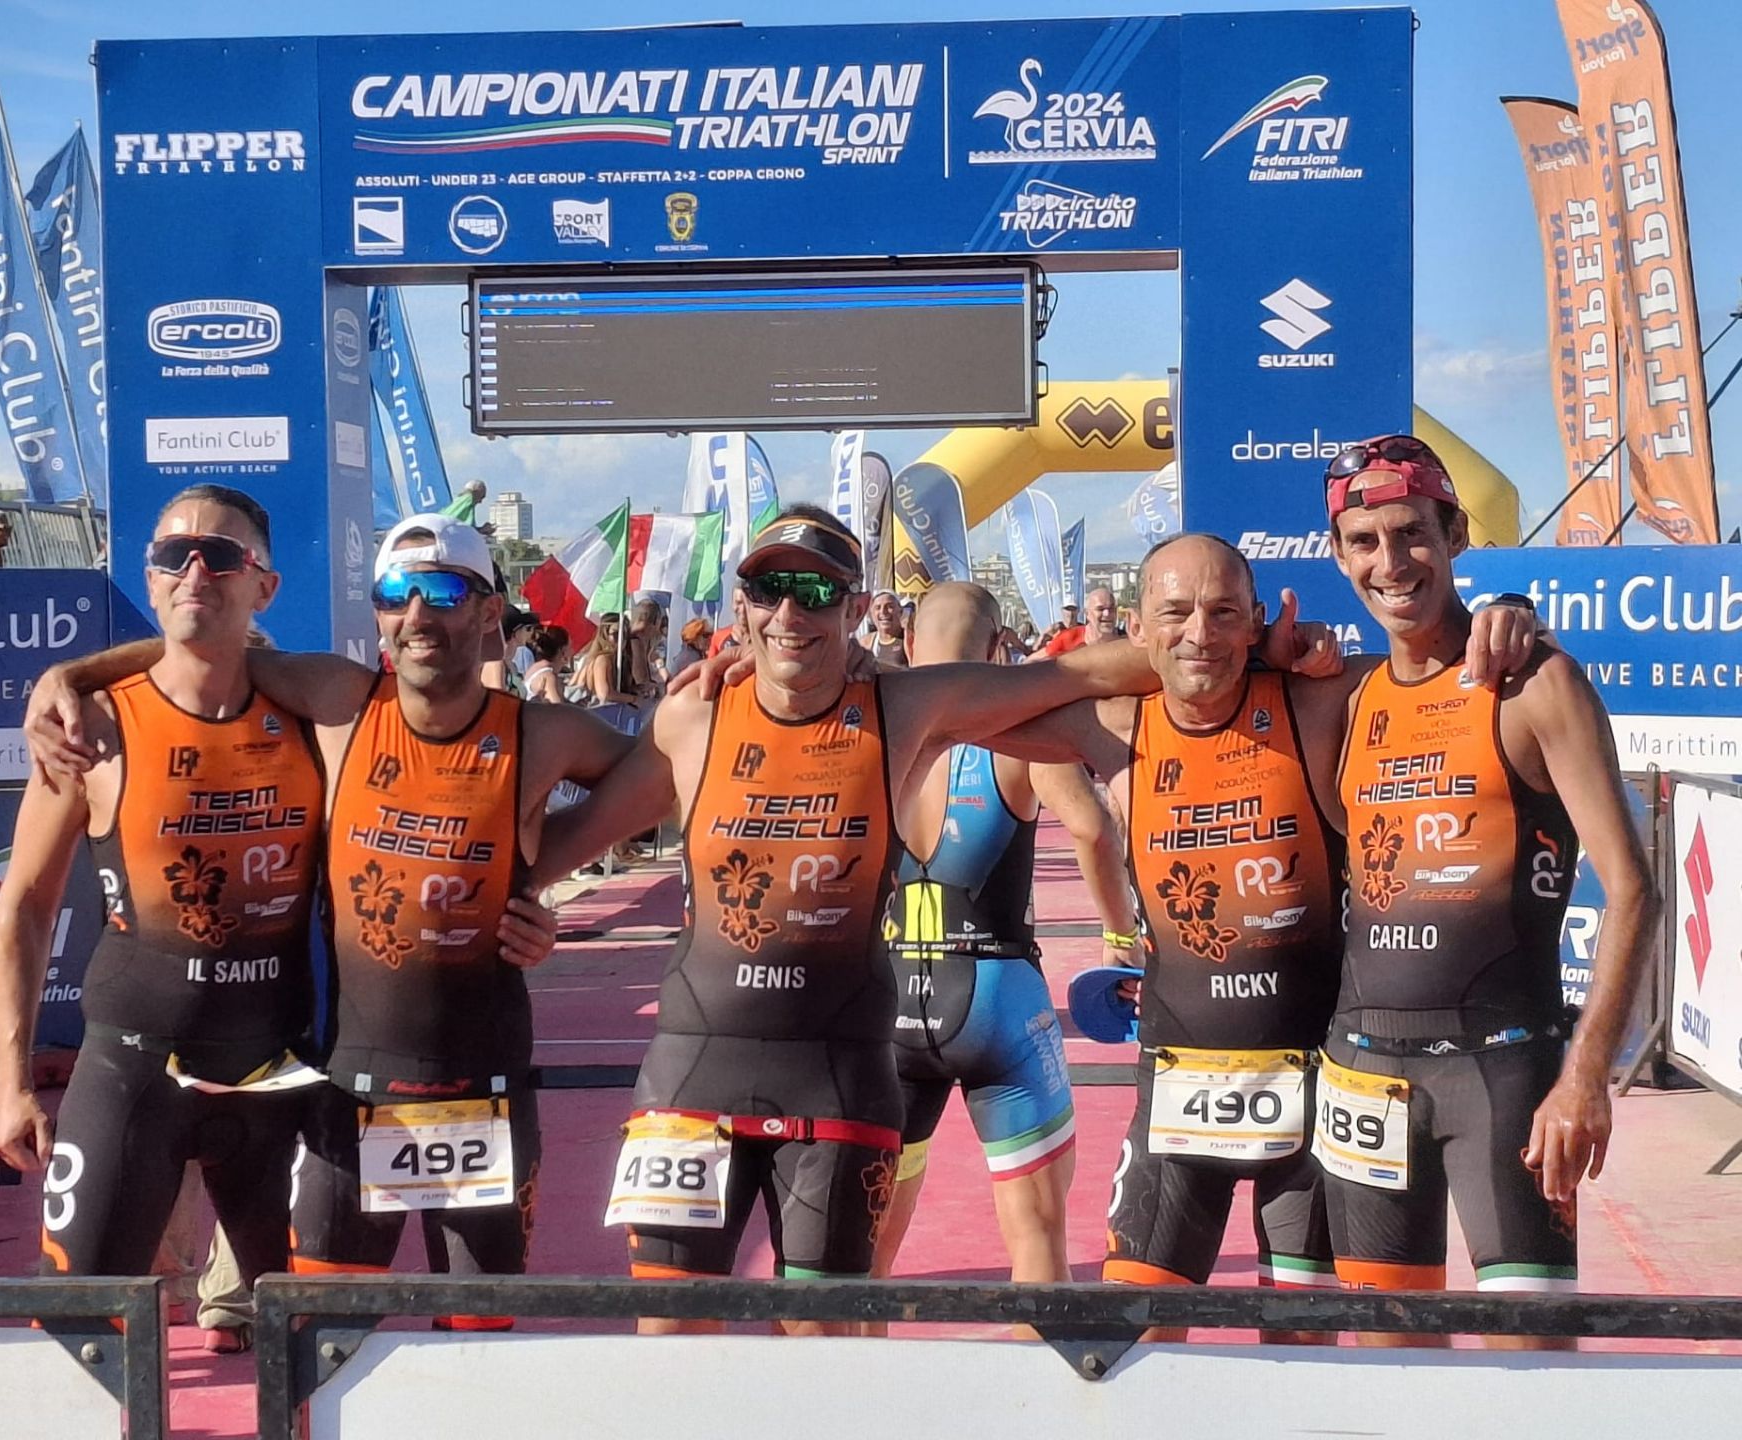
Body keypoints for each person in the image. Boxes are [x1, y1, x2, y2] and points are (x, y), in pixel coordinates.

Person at [528, 504, 1174, 1336]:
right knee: (671, 1345)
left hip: (836, 1080)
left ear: (856, 605)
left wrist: (1235, 643)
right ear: (741, 605)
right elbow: (556, 850)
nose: (789, 612)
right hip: (690, 1082)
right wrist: (515, 920)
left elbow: (1090, 674)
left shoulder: (903, 707)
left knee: (823, 1354)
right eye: (769, 591)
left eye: (815, 593)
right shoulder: (696, 716)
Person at [24, 513, 603, 1334]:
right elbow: (203, 642)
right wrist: (69, 675)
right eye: (397, 592)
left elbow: (673, 772)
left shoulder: (538, 734)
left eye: (443, 591)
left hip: (462, 1085)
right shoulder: (337, 702)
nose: (418, 613)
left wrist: (524, 879)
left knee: (474, 1346)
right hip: (335, 1083)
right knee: (312, 1348)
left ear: (487, 611)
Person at [991, 530, 1541, 1339]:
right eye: (1175, 614)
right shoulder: (1118, 725)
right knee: (1133, 1339)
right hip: (1179, 1092)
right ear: (1135, 627)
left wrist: (1509, 616)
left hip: (1316, 1095)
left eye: (1224, 614)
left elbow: (1429, 670)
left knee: (1300, 1348)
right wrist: (1169, 656)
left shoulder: (1308, 700)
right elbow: (971, 705)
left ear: (1256, 621)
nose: (1200, 631)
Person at [1317, 435, 1656, 1344]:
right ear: (1338, 555)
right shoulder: (1347, 697)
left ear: (1455, 534)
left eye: (1411, 534)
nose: (1391, 562)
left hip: (1504, 1072)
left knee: (1530, 1364)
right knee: (1388, 1365)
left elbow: (1633, 889)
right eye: (1364, 541)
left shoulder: (1534, 683)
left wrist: (1586, 1077)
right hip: (1364, 1072)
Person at [0, 484, 323, 1323]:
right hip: (132, 1068)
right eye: (173, 554)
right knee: (81, 1331)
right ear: (150, 576)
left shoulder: (320, 721)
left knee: (323, 1346)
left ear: (265, 585)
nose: (194, 571)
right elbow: (24, 908)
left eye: (222, 555)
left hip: (279, 1068)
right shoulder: (89, 729)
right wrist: (10, 1083)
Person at [869, 583, 1143, 1315]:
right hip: (995, 996)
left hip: (887, 997)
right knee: (1037, 1241)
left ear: (909, 644)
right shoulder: (1013, 733)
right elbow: (1091, 827)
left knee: (864, 1254)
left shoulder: (874, 728)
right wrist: (1120, 936)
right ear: (999, 651)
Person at [1028, 587, 1119, 661]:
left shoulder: (1124, 643)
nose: (1107, 614)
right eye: (1100, 609)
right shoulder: (1070, 637)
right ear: (1087, 614)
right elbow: (1032, 661)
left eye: (1111, 609)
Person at [567, 615, 632, 707]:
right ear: (604, 634)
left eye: (625, 634)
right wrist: (634, 699)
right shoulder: (602, 659)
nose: (622, 638)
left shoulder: (603, 658)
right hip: (593, 710)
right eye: (616, 634)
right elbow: (605, 694)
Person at [525, 625, 571, 703]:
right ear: (563, 651)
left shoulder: (538, 668)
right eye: (570, 647)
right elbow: (557, 707)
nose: (572, 651)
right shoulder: (548, 676)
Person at [865, 589, 908, 669]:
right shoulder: (867, 642)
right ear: (872, 614)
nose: (883, 612)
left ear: (900, 611)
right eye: (878, 608)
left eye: (890, 607)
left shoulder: (909, 639)